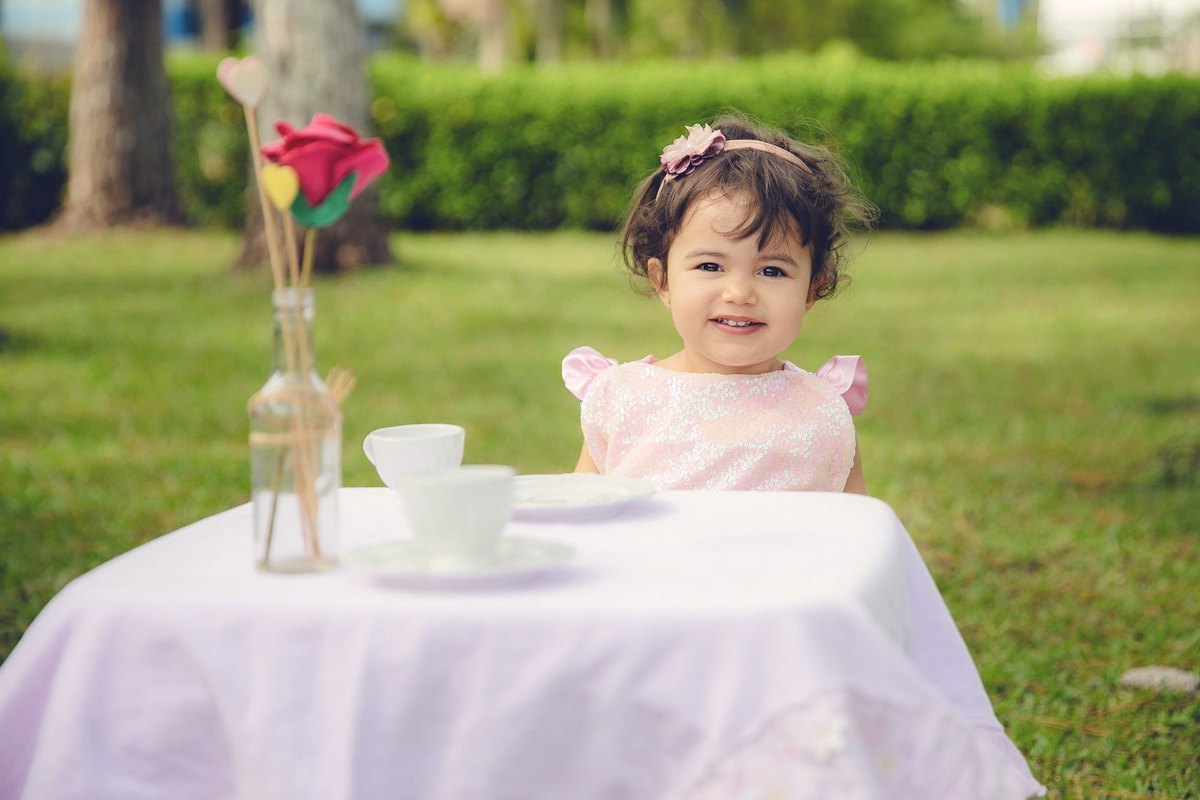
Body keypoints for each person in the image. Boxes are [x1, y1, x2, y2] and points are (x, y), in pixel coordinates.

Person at [563, 114, 875, 492]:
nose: (739, 293)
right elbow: (580, 516)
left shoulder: (822, 410)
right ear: (662, 281)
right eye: (710, 266)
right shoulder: (622, 398)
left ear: (812, 289)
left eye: (772, 271)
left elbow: (857, 530)